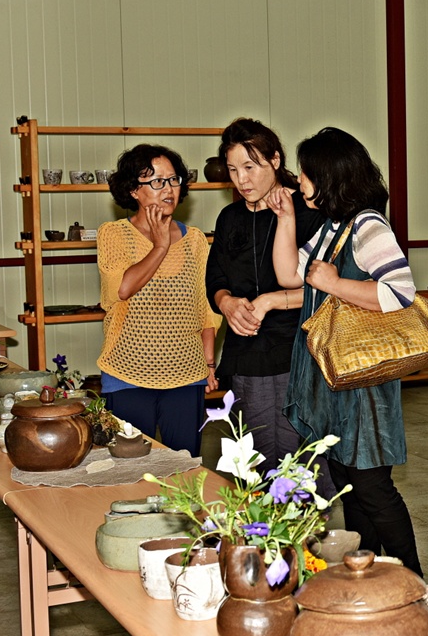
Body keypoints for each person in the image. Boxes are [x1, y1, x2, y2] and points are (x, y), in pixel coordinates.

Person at [268, 127, 422, 576]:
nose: (298, 181)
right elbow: (289, 276)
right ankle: (367, 574)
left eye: (305, 173)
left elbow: (401, 292)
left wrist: (334, 283)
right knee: (350, 486)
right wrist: (285, 218)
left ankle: (414, 581)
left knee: (373, 488)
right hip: (336, 382)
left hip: (364, 388)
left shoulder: (368, 225)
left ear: (328, 175)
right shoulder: (334, 226)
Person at [206, 118, 327, 470]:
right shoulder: (230, 217)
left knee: (301, 456)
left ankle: (307, 525)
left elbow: (330, 285)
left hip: (298, 348)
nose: (242, 179)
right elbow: (214, 276)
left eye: (250, 166)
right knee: (253, 456)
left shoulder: (307, 211)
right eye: (232, 169)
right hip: (247, 352)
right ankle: (261, 526)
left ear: (275, 160)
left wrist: (273, 301)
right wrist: (226, 303)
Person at [97, 144, 220, 456]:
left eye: (173, 180)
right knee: (130, 470)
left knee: (184, 468)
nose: (168, 189)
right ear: (133, 191)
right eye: (156, 181)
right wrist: (160, 246)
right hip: (127, 374)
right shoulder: (113, 234)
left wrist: (208, 364)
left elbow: (207, 310)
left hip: (186, 375)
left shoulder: (194, 241)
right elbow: (121, 289)